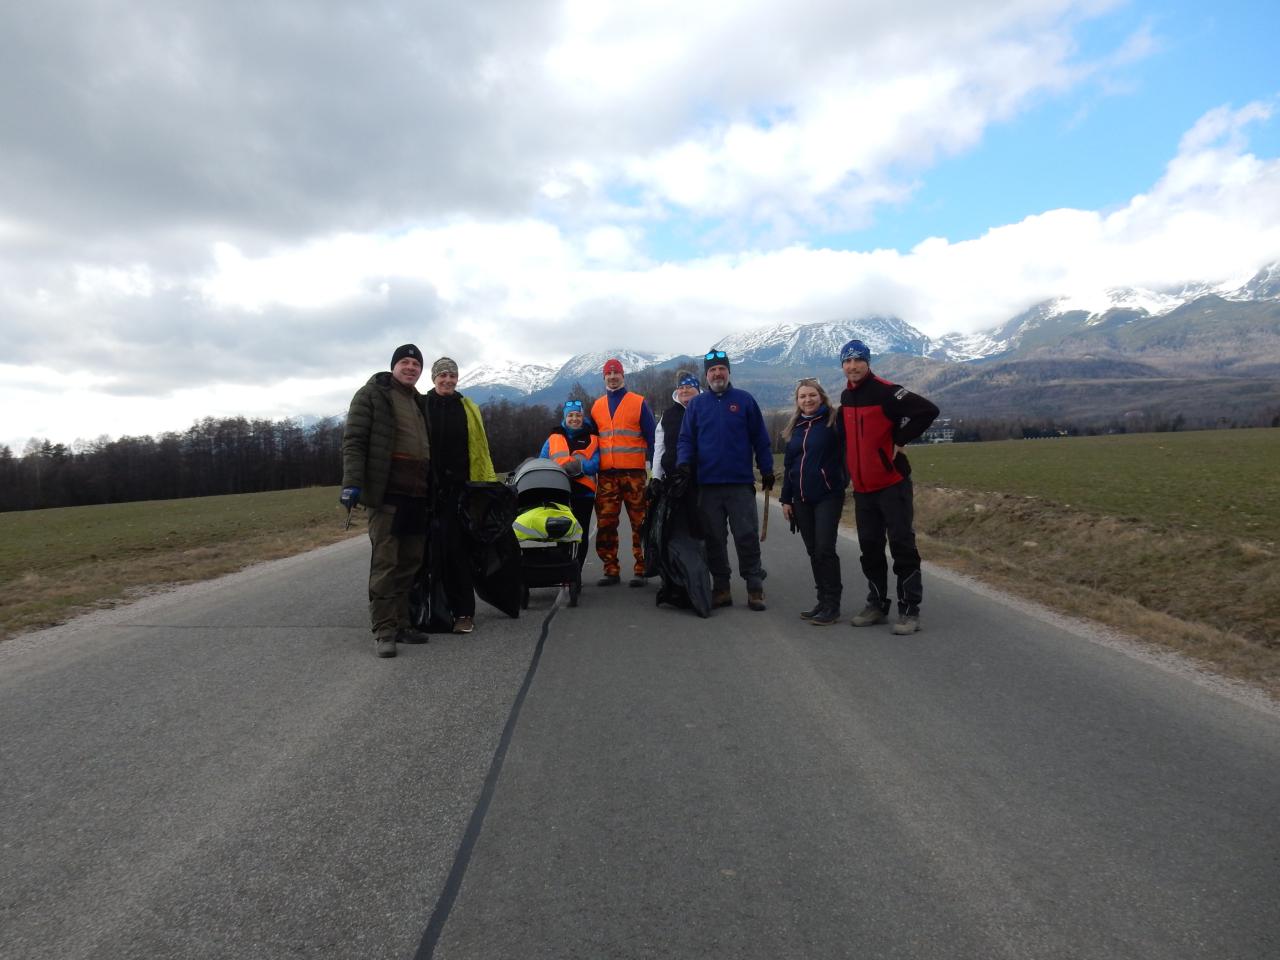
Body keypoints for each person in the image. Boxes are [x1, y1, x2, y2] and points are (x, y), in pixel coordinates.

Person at [837, 338, 939, 635]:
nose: (853, 366)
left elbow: (927, 410)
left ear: (867, 362)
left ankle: (909, 610)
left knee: (901, 546)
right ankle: (877, 605)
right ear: (842, 366)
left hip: (892, 484)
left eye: (858, 360)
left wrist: (900, 439)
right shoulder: (846, 396)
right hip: (863, 489)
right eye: (847, 361)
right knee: (869, 548)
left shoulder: (887, 391)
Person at [340, 344, 432, 658]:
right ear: (394, 366)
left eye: (416, 364)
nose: (410, 368)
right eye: (404, 362)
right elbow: (354, 441)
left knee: (410, 563)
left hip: (417, 494)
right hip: (387, 494)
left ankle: (403, 623)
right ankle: (384, 630)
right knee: (385, 564)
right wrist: (352, 484)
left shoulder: (418, 401)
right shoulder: (371, 395)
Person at [674, 348, 775, 611]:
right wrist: (683, 463)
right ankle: (721, 588)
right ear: (706, 375)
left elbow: (760, 438)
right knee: (714, 539)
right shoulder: (697, 405)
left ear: (728, 372)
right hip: (708, 485)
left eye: (721, 369)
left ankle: (754, 587)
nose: (717, 373)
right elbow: (686, 440)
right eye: (712, 370)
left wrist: (766, 469)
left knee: (746, 536)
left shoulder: (744, 400)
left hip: (740, 484)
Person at [425, 356, 498, 634]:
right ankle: (428, 612)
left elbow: (481, 449)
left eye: (452, 376)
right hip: (426, 491)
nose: (447, 380)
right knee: (427, 554)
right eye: (442, 375)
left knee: (457, 552)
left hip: (460, 492)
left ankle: (464, 613)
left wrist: (485, 485)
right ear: (434, 378)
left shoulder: (468, 408)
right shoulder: (422, 405)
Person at [779, 379, 846, 626]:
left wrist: (843, 480)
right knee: (813, 551)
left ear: (821, 396)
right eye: (802, 396)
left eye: (812, 395)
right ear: (797, 401)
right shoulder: (795, 426)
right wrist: (786, 499)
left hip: (828, 495)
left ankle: (833, 605)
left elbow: (850, 450)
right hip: (801, 499)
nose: (807, 400)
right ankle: (822, 601)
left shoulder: (834, 421)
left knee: (825, 548)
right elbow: (789, 466)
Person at [590, 358, 656, 588]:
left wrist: (655, 470)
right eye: (608, 374)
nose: (612, 377)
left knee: (640, 522)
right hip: (607, 476)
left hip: (634, 474)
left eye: (616, 373)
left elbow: (653, 438)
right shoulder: (596, 407)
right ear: (604, 377)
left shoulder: (638, 402)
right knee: (606, 523)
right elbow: (591, 442)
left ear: (623, 376)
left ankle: (642, 568)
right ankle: (610, 569)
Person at [539, 399, 600, 570]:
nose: (574, 419)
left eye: (578, 415)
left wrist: (578, 467)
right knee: (561, 532)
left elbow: (596, 463)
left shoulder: (593, 438)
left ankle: (576, 571)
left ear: (583, 417)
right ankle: (563, 569)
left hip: (584, 493)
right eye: (570, 415)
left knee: (581, 532)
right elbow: (542, 460)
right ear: (565, 418)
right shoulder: (553, 438)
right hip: (560, 492)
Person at [652, 371, 700, 482]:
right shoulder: (668, 415)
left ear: (697, 389)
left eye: (688, 387)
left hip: (702, 477)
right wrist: (656, 477)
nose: (684, 390)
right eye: (681, 387)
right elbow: (659, 448)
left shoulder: (707, 409)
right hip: (674, 478)